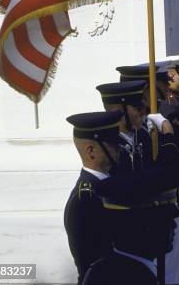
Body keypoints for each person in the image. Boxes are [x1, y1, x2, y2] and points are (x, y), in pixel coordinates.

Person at [64, 110, 124, 284]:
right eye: (113, 145)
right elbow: (97, 260)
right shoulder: (87, 199)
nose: (119, 150)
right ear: (91, 151)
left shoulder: (104, 187)